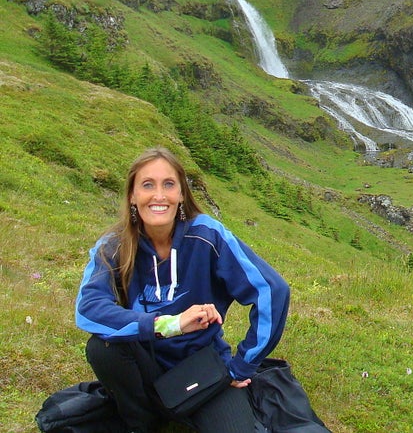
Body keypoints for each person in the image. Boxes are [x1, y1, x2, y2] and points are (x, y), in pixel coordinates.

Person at [75, 147, 291, 432]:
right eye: (147, 185)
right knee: (103, 348)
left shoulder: (207, 235)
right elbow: (88, 309)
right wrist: (171, 324)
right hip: (145, 365)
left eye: (169, 184)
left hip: (205, 368)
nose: (159, 196)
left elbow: (272, 291)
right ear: (132, 195)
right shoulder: (115, 245)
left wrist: (242, 366)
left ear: (181, 195)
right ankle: (143, 422)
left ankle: (186, 409)